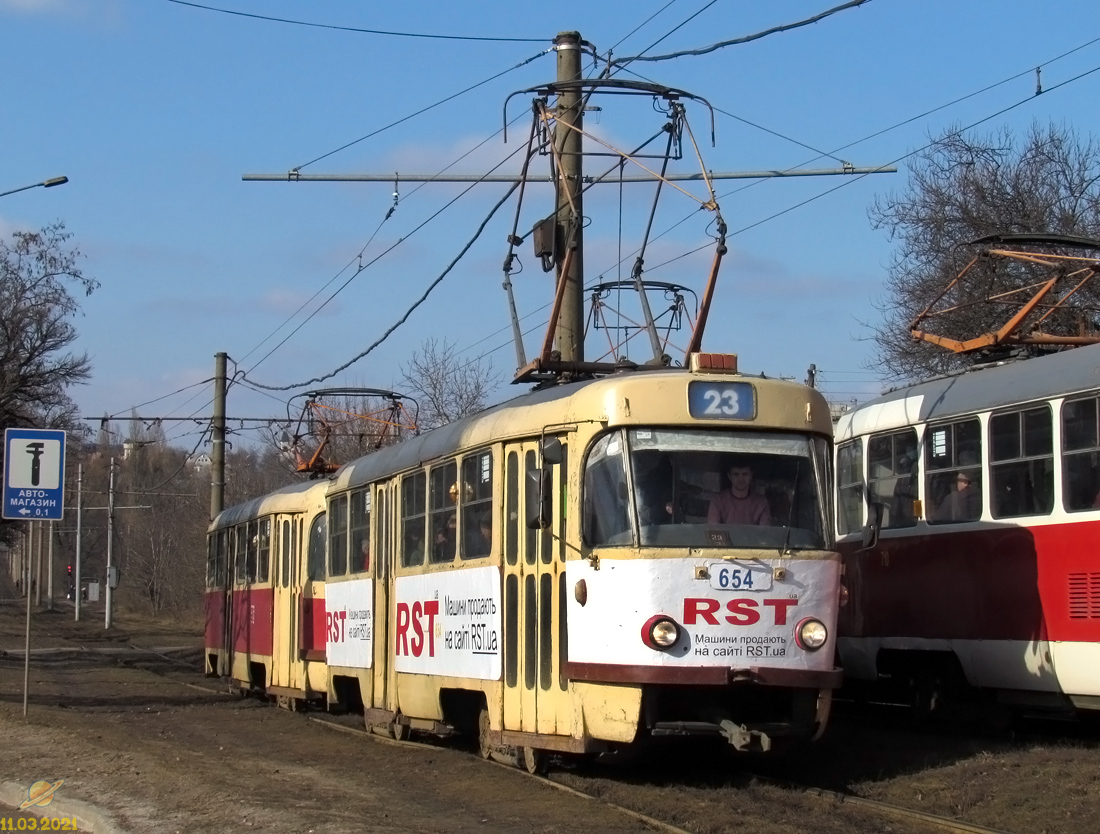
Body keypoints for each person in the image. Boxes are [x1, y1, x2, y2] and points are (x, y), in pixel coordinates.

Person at [707, 461, 772, 526]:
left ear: (751, 476)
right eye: (736, 474)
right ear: (729, 476)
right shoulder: (718, 500)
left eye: (745, 474)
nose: (741, 479)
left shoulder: (762, 502)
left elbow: (765, 533)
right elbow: (714, 531)